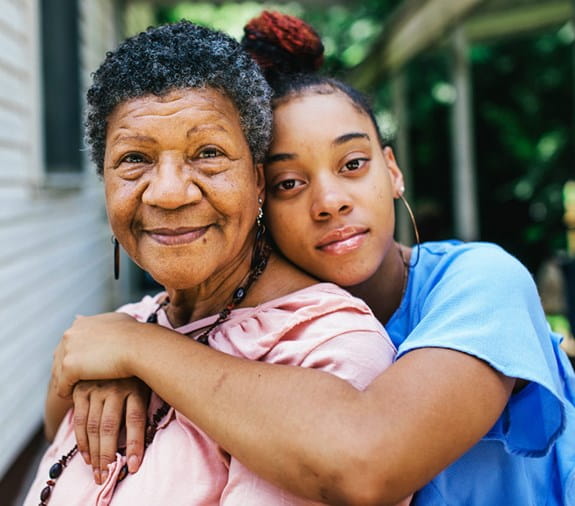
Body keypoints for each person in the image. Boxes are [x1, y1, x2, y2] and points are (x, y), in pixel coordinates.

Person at [46, 11, 575, 506]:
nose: (330, 201)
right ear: (259, 197)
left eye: (353, 163)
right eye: (289, 182)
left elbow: (370, 458)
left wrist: (137, 348)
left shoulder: (481, 282)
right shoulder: (238, 323)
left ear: (392, 170)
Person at [23, 20, 407, 506]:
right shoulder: (115, 335)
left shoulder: (328, 349)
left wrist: (136, 348)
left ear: (257, 180)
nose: (167, 192)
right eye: (134, 158)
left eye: (208, 153)